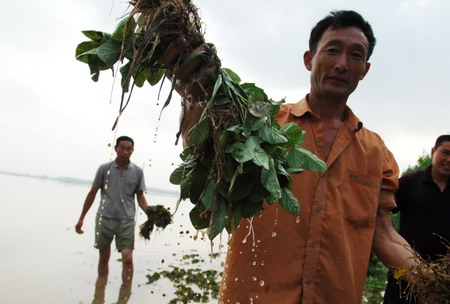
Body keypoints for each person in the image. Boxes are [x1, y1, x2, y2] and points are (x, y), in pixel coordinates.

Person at [160, 10, 417, 304]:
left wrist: (431, 281)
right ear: (309, 59)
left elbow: (383, 235)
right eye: (332, 50)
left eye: (355, 55)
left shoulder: (376, 152)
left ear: (365, 69)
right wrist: (193, 95)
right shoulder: (262, 124)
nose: (342, 64)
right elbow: (202, 153)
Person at [383, 134, 450, 304]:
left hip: (444, 280)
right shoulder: (409, 183)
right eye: (445, 153)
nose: (449, 160)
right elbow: (379, 214)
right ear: (433, 151)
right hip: (405, 272)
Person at [75, 135, 149, 286]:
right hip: (104, 218)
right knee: (104, 256)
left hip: (126, 220)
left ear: (132, 151)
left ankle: (126, 288)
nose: (125, 152)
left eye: (129, 149)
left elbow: (140, 197)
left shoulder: (137, 172)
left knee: (127, 258)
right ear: (116, 148)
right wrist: (81, 218)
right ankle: (101, 289)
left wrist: (152, 215)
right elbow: (92, 194)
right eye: (122, 148)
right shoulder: (104, 169)